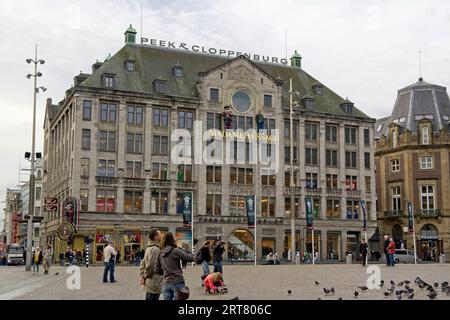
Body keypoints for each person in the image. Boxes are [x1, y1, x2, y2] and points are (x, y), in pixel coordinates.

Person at [154, 232, 194, 300]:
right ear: (172, 239)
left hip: (166, 283)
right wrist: (186, 249)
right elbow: (191, 258)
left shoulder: (160, 252)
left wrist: (165, 272)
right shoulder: (175, 251)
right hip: (177, 281)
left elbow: (156, 269)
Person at [139, 228, 164, 300]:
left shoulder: (149, 248)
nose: (161, 236)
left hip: (150, 282)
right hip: (154, 281)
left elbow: (142, 263)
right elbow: (151, 266)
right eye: (160, 234)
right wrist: (144, 276)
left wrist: (142, 275)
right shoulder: (155, 249)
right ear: (155, 237)